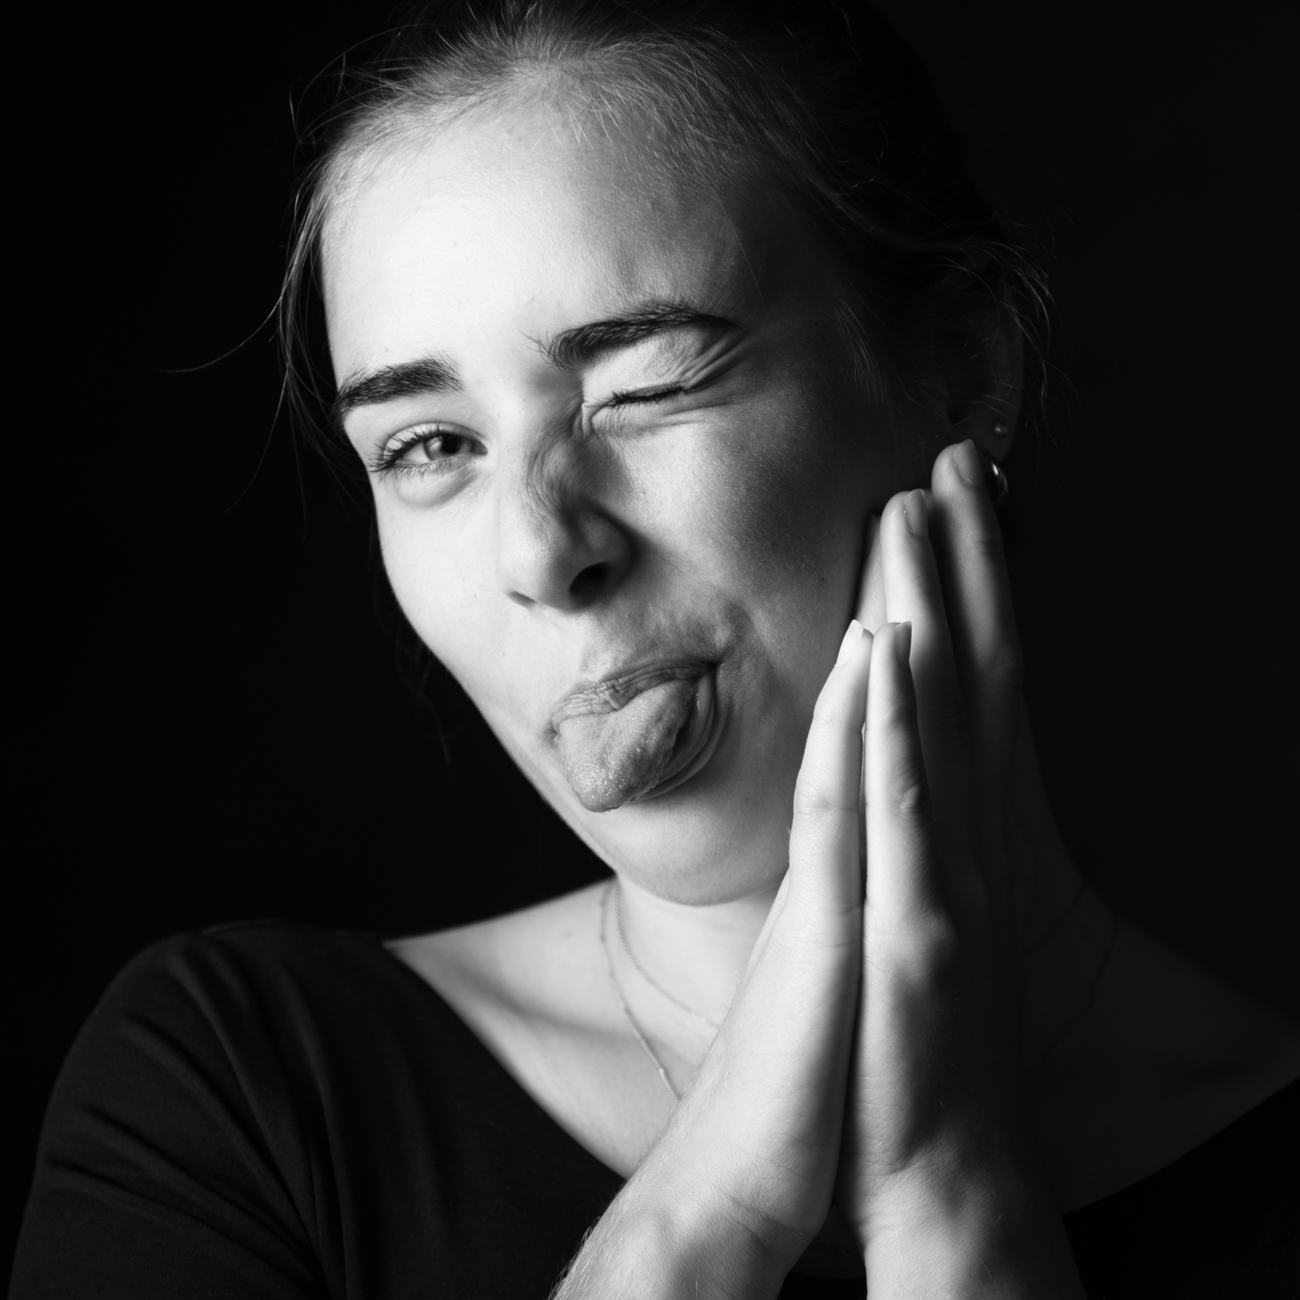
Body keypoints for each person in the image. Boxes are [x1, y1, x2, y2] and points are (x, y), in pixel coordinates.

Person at [13, 1, 1299, 1296]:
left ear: (963, 370)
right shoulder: (235, 1104)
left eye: (645, 384)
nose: (538, 551)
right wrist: (705, 1217)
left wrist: (952, 1215)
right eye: (429, 448)